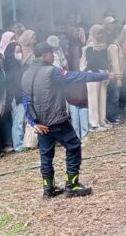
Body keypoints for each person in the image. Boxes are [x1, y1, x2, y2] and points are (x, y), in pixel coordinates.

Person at [23, 42, 110, 199]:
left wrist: (34, 123)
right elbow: (77, 76)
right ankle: (72, 184)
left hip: (41, 124)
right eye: (51, 53)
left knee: (46, 155)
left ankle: (48, 189)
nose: (53, 56)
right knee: (74, 146)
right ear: (44, 54)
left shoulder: (26, 74)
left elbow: (25, 101)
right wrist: (104, 75)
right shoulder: (52, 72)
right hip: (57, 120)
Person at [82, 25, 111, 132]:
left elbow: (105, 61)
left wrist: (106, 72)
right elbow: (91, 62)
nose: (101, 35)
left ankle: (101, 121)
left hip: (102, 73)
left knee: (102, 97)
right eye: (99, 33)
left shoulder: (102, 45)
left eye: (102, 33)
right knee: (93, 98)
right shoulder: (90, 46)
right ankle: (94, 123)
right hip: (92, 74)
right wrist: (99, 73)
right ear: (94, 33)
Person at [2, 40, 27, 150]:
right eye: (17, 51)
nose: (19, 53)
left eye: (20, 51)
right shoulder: (11, 67)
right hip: (16, 97)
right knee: (18, 121)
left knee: (19, 121)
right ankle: (18, 145)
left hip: (17, 96)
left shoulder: (15, 65)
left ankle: (19, 143)